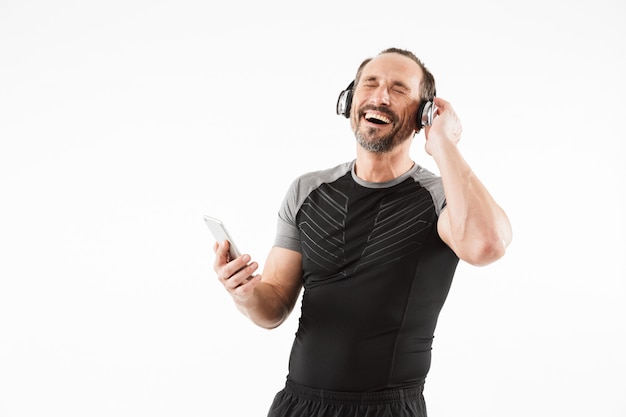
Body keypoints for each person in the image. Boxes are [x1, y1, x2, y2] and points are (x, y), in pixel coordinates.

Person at [212, 47, 512, 417]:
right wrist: (243, 292)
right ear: (350, 101)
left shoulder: (441, 197)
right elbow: (272, 307)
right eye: (370, 83)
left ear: (424, 115)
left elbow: (486, 245)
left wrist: (444, 144)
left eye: (399, 89)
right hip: (297, 405)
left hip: (387, 409)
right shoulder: (307, 191)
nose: (380, 96)